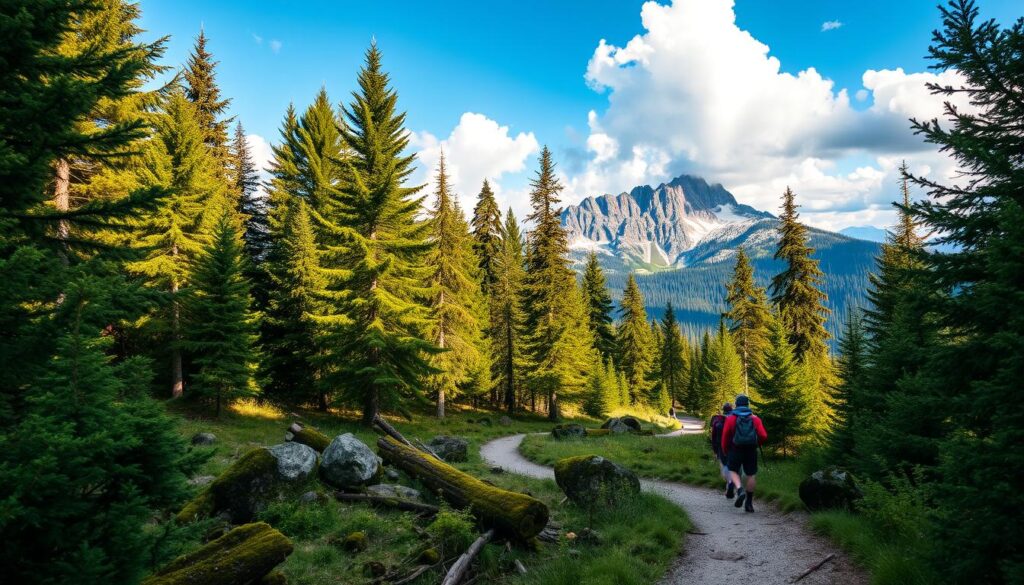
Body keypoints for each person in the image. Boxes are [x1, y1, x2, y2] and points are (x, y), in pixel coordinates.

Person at [721, 394, 767, 513]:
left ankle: (740, 489)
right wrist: (757, 443)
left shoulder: (731, 418)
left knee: (733, 471)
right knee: (751, 474)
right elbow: (763, 435)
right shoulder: (755, 419)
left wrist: (725, 450)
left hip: (735, 449)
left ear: (736, 404)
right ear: (747, 405)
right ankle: (749, 504)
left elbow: (725, 436)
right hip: (751, 450)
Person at [708, 403, 734, 498]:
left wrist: (715, 450)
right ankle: (732, 484)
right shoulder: (735, 418)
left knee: (724, 466)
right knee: (733, 466)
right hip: (733, 447)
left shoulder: (718, 420)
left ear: (723, 410)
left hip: (721, 447)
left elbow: (713, 437)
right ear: (732, 409)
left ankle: (729, 483)